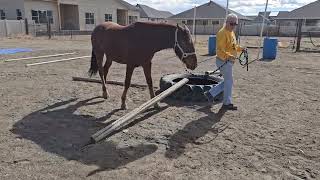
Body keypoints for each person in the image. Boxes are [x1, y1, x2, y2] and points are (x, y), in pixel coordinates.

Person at [205, 13, 245, 110]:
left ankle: (210, 94)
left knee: (228, 81)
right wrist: (230, 56)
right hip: (223, 61)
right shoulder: (222, 33)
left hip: (229, 61)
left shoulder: (231, 33)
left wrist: (241, 48)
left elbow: (233, 46)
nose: (233, 26)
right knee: (229, 81)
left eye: (235, 24)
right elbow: (220, 50)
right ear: (226, 22)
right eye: (231, 24)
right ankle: (227, 103)